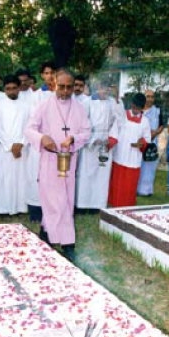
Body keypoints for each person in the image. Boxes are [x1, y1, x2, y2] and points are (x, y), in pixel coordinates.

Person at [25, 68, 90, 261]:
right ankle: (63, 241)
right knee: (53, 200)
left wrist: (73, 139)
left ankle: (51, 236)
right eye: (61, 86)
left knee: (66, 200)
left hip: (69, 161)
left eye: (69, 87)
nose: (65, 91)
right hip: (49, 159)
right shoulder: (43, 106)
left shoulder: (79, 109)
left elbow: (86, 133)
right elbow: (29, 129)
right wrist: (42, 137)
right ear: (54, 84)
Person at [75, 80, 120, 213]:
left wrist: (109, 139)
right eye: (103, 88)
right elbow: (82, 122)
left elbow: (119, 121)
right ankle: (82, 205)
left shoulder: (112, 102)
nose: (105, 91)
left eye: (108, 89)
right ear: (98, 87)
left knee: (102, 174)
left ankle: (98, 205)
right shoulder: (88, 102)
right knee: (86, 174)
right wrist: (91, 139)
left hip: (105, 141)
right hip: (91, 141)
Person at [0, 74, 29, 215]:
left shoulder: (27, 105)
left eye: (14, 88)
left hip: (22, 148)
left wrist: (21, 144)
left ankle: (21, 208)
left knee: (21, 179)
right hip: (5, 148)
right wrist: (10, 146)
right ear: (4, 89)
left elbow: (30, 126)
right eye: (8, 89)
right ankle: (3, 208)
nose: (12, 91)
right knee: (4, 179)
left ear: (19, 88)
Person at [25, 61, 56, 223]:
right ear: (42, 75)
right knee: (37, 175)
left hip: (57, 142)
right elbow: (34, 118)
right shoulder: (36, 95)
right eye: (46, 73)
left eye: (52, 72)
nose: (50, 76)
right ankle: (36, 210)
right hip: (41, 140)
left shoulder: (63, 93)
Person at [108, 93, 151, 207]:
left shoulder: (145, 121)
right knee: (118, 182)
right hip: (120, 154)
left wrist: (141, 143)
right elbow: (114, 132)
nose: (136, 110)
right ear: (132, 104)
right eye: (135, 107)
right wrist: (110, 142)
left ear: (143, 108)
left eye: (139, 108)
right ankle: (115, 203)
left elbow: (147, 138)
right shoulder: (122, 116)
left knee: (130, 184)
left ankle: (128, 204)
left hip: (134, 157)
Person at [137, 90, 164, 196]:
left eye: (152, 97)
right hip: (139, 142)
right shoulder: (138, 111)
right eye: (148, 96)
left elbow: (161, 125)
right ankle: (136, 189)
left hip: (152, 143)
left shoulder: (157, 111)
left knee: (149, 166)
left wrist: (155, 133)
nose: (150, 99)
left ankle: (146, 190)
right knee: (137, 165)